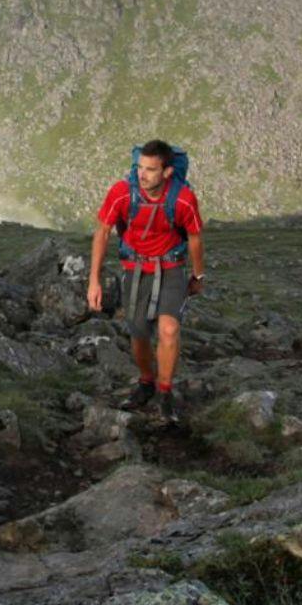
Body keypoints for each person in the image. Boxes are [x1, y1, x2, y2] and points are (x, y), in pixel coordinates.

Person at [85, 139, 205, 417]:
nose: (142, 174)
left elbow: (196, 238)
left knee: (168, 329)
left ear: (167, 173)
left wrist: (199, 274)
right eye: (140, 167)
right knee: (138, 333)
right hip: (135, 269)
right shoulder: (122, 193)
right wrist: (94, 280)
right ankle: (146, 381)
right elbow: (102, 232)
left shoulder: (184, 199)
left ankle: (164, 392)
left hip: (172, 268)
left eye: (151, 169)